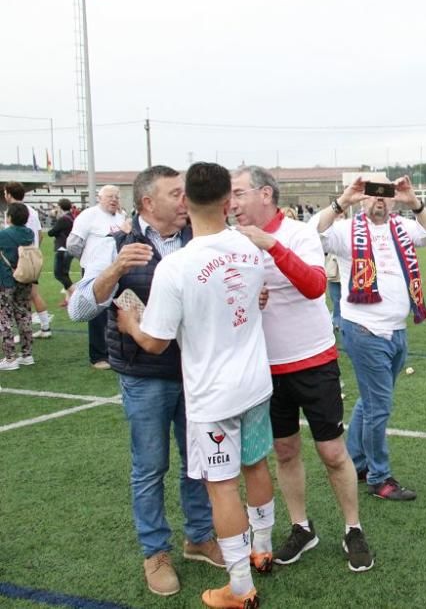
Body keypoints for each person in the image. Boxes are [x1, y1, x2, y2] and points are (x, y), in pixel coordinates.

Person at [117, 162, 275, 609]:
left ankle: (241, 588)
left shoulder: (177, 265)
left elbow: (155, 340)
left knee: (222, 486)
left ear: (186, 201)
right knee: (257, 465)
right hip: (255, 382)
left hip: (213, 394)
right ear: (229, 202)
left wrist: (130, 323)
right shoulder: (249, 249)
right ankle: (262, 549)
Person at [66, 166, 222, 597]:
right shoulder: (114, 244)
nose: (185, 199)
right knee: (150, 466)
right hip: (144, 376)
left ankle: (199, 536)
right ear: (149, 203)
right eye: (176, 193)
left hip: (196, 372)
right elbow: (78, 310)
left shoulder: (200, 239)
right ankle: (155, 551)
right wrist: (114, 270)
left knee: (198, 462)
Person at [230, 165, 374, 571]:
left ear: (265, 194)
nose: (232, 202)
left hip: (313, 359)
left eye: (239, 192)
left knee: (331, 451)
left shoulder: (298, 233)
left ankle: (353, 528)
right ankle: (301, 527)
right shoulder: (232, 242)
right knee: (285, 449)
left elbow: (314, 286)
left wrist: (271, 246)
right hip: (265, 366)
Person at [314, 173, 426, 501]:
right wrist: (344, 199)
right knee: (378, 408)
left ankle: (356, 461)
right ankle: (379, 477)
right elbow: (312, 234)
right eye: (372, 192)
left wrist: (413, 201)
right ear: (363, 196)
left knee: (370, 404)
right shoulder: (346, 231)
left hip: (397, 331)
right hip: (365, 330)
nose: (379, 198)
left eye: (385, 192)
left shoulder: (403, 227)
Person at [67, 184, 127, 369]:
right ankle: (98, 356)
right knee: (96, 315)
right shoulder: (89, 215)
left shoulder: (121, 216)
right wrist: (88, 260)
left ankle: (116, 350)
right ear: (100, 197)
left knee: (118, 310)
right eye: (109, 196)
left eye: (116, 196)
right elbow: (73, 244)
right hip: (96, 272)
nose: (114, 199)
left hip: (118, 270)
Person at [4, 183, 52, 338]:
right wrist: (33, 252)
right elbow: (39, 234)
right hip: (31, 259)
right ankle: (44, 327)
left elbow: (10, 237)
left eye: (5, 192)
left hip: (16, 261)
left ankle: (22, 333)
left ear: (9, 194)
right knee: (31, 294)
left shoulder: (11, 212)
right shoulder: (31, 210)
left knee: (16, 299)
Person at [0, 202, 35, 370]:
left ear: (10, 217)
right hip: (25, 278)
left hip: (6, 279)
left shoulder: (4, 234)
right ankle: (27, 354)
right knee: (24, 314)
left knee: (4, 317)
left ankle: (10, 357)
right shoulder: (28, 233)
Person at [47, 198, 75, 304]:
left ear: (60, 207)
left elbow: (51, 232)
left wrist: (55, 217)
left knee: (59, 274)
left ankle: (75, 295)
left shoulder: (63, 219)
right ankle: (68, 299)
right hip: (68, 248)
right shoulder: (70, 217)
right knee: (65, 274)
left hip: (62, 248)